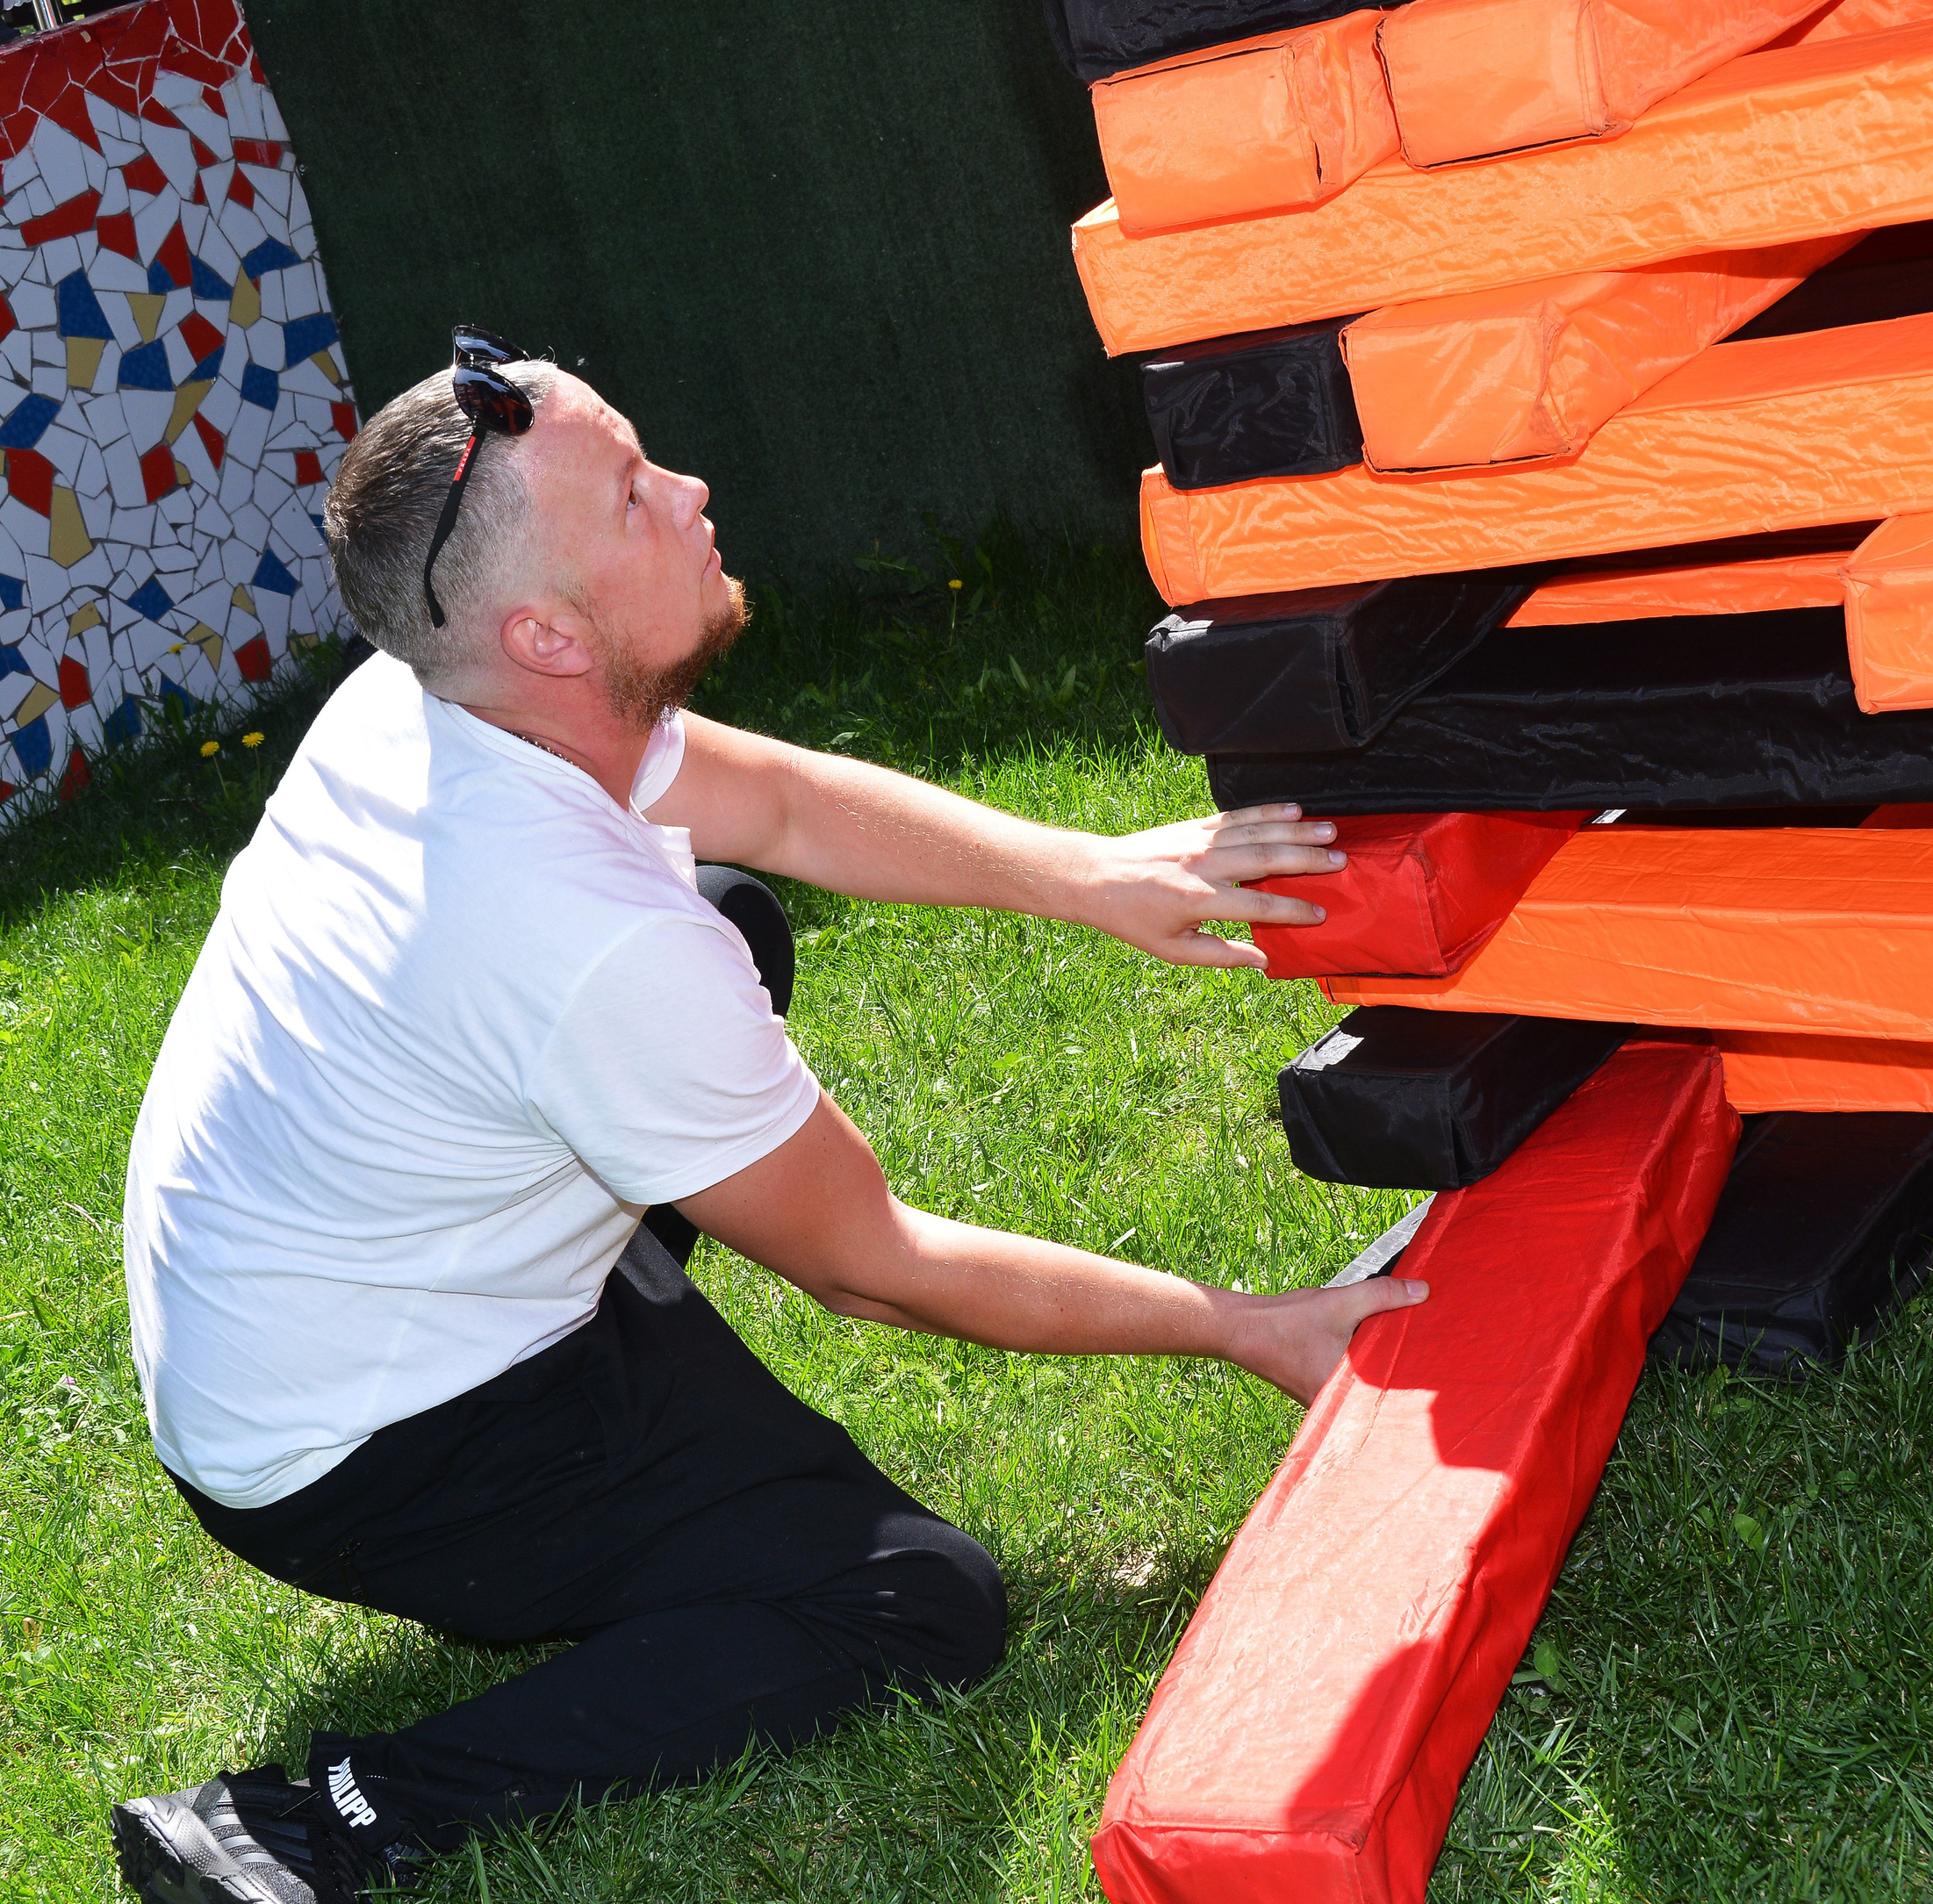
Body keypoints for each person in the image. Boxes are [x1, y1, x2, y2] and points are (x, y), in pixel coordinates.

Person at [110, 332, 1425, 1904]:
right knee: (905, 1600)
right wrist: (1254, 1325)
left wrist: (1089, 870)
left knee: (729, 911)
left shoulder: (437, 701)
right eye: (636, 494)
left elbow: (782, 806)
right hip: (368, 1447)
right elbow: (875, 1265)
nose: (692, 489)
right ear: (545, 629)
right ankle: (306, 1825)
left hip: (319, 1299)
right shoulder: (573, 934)